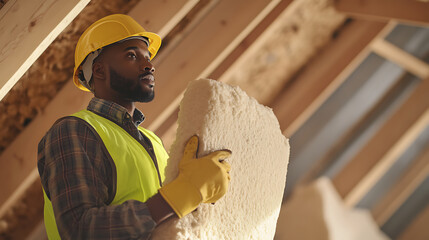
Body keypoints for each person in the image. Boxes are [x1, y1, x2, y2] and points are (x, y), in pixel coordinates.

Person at [37, 14, 232, 240]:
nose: (149, 66)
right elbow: (81, 229)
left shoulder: (152, 141)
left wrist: (197, 192)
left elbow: (165, 217)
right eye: (132, 55)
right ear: (99, 71)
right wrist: (184, 192)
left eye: (148, 57)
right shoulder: (72, 131)